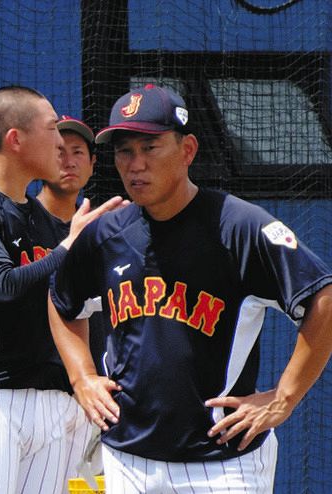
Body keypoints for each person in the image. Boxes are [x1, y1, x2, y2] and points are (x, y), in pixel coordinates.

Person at [48, 83, 332, 493]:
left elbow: (322, 297)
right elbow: (62, 301)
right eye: (124, 151)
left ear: (188, 151)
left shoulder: (240, 227)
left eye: (150, 148)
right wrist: (81, 377)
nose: (135, 165)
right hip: (127, 457)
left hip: (221, 462)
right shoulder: (105, 234)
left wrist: (283, 397)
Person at [0, 86, 127, 494]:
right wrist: (70, 245)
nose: (61, 143)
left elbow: (74, 304)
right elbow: (1, 286)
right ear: (15, 139)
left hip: (56, 402)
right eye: (53, 129)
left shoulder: (40, 218)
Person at [36, 115, 105, 375]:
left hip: (97, 381)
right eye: (59, 152)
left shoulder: (101, 228)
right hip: (35, 384)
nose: (69, 162)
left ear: (92, 163)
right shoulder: (20, 221)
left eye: (78, 152)